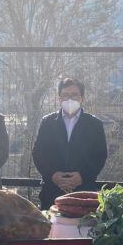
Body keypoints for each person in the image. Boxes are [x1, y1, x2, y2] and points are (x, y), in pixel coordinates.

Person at [32, 78, 107, 210]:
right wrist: (52, 175)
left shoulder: (94, 124)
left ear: (82, 98)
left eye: (74, 95)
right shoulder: (48, 122)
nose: (70, 99)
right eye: (65, 95)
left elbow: (100, 156)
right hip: (51, 191)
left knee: (82, 229)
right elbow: (38, 153)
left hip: (84, 192)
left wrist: (82, 176)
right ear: (59, 98)